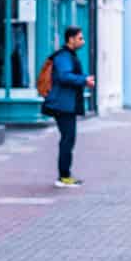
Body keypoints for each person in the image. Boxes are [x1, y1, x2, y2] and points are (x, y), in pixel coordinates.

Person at [43, 26, 94, 187]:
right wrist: (84, 80)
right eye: (80, 38)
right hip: (62, 105)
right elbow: (64, 76)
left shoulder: (68, 55)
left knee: (68, 138)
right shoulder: (63, 56)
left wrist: (84, 79)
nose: (83, 41)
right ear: (70, 39)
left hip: (67, 104)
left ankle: (64, 175)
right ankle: (64, 176)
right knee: (68, 139)